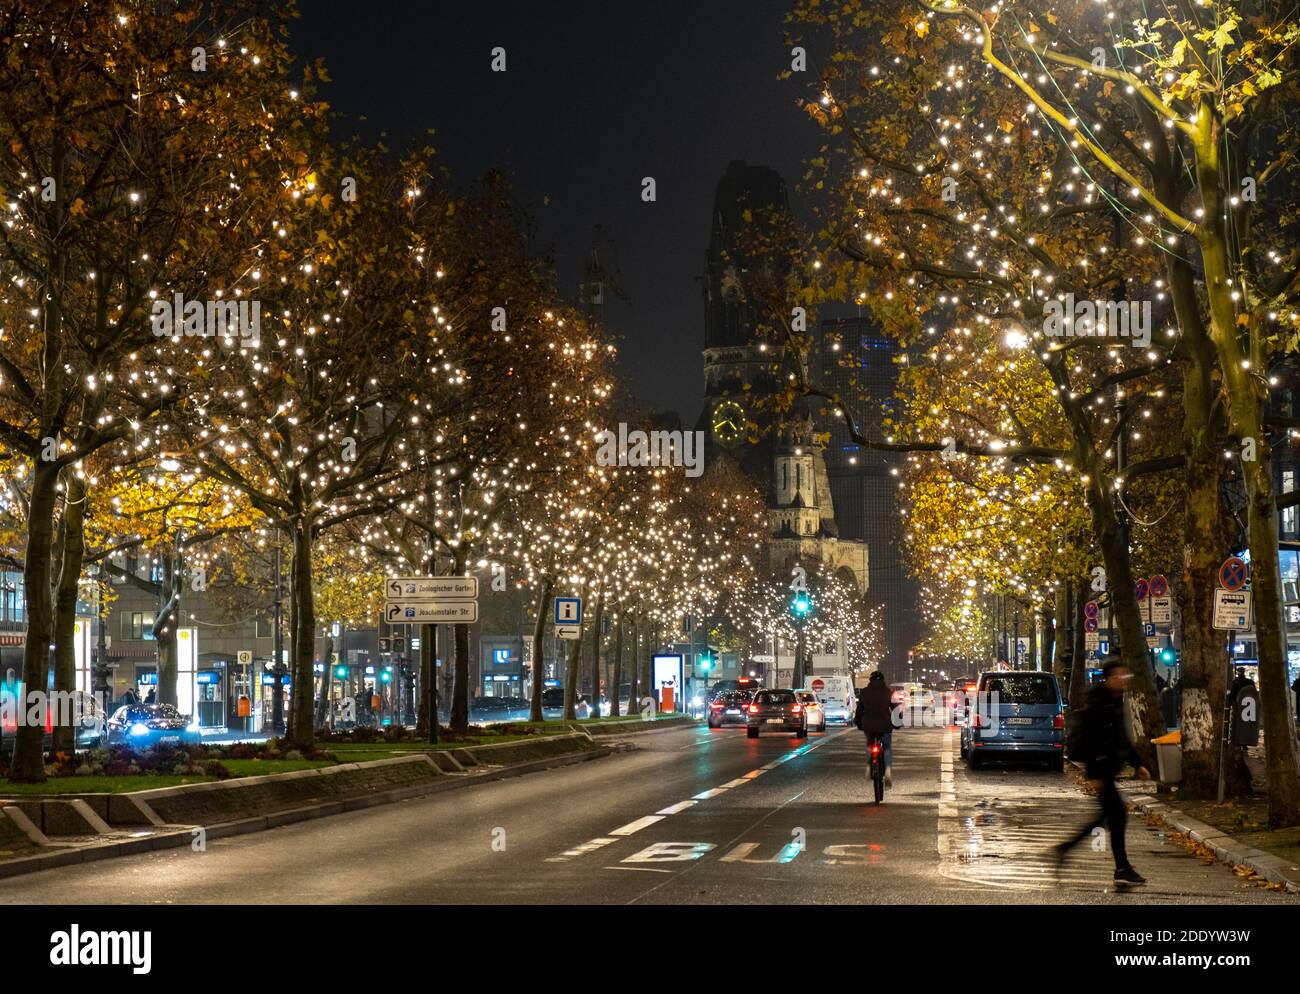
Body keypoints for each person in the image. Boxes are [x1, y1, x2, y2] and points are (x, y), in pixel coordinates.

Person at [1055, 657, 1151, 885]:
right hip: (1102, 770)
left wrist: (1137, 764)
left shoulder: (1114, 701)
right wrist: (1095, 775)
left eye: (1125, 676)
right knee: (1116, 815)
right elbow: (1091, 740)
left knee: (1109, 817)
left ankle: (1066, 849)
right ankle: (1122, 867)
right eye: (1119, 676)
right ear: (1108, 679)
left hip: (1107, 769)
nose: (1123, 680)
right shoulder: (1098, 704)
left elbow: (1121, 738)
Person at [854, 671, 895, 786]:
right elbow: (894, 709)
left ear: (870, 680)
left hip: (869, 724)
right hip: (884, 724)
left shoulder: (865, 692)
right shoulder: (888, 692)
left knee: (869, 743)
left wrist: (858, 722)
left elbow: (859, 710)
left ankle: (868, 765)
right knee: (887, 747)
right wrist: (898, 721)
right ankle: (887, 769)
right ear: (883, 680)